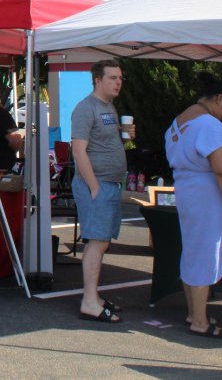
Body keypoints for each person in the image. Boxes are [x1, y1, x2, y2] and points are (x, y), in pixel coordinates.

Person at [166, 73, 222, 339]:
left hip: (188, 192)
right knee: (205, 252)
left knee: (192, 250)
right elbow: (220, 170)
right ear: (219, 98)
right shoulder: (210, 125)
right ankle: (199, 320)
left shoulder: (178, 122)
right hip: (208, 197)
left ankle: (194, 313)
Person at [71, 59, 134, 324]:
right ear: (98, 80)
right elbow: (78, 150)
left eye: (120, 78)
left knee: (101, 241)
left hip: (109, 184)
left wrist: (123, 133)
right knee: (96, 242)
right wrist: (94, 186)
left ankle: (93, 297)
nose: (118, 82)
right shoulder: (86, 108)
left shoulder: (108, 107)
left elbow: (103, 141)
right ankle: (89, 301)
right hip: (96, 185)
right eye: (112, 78)